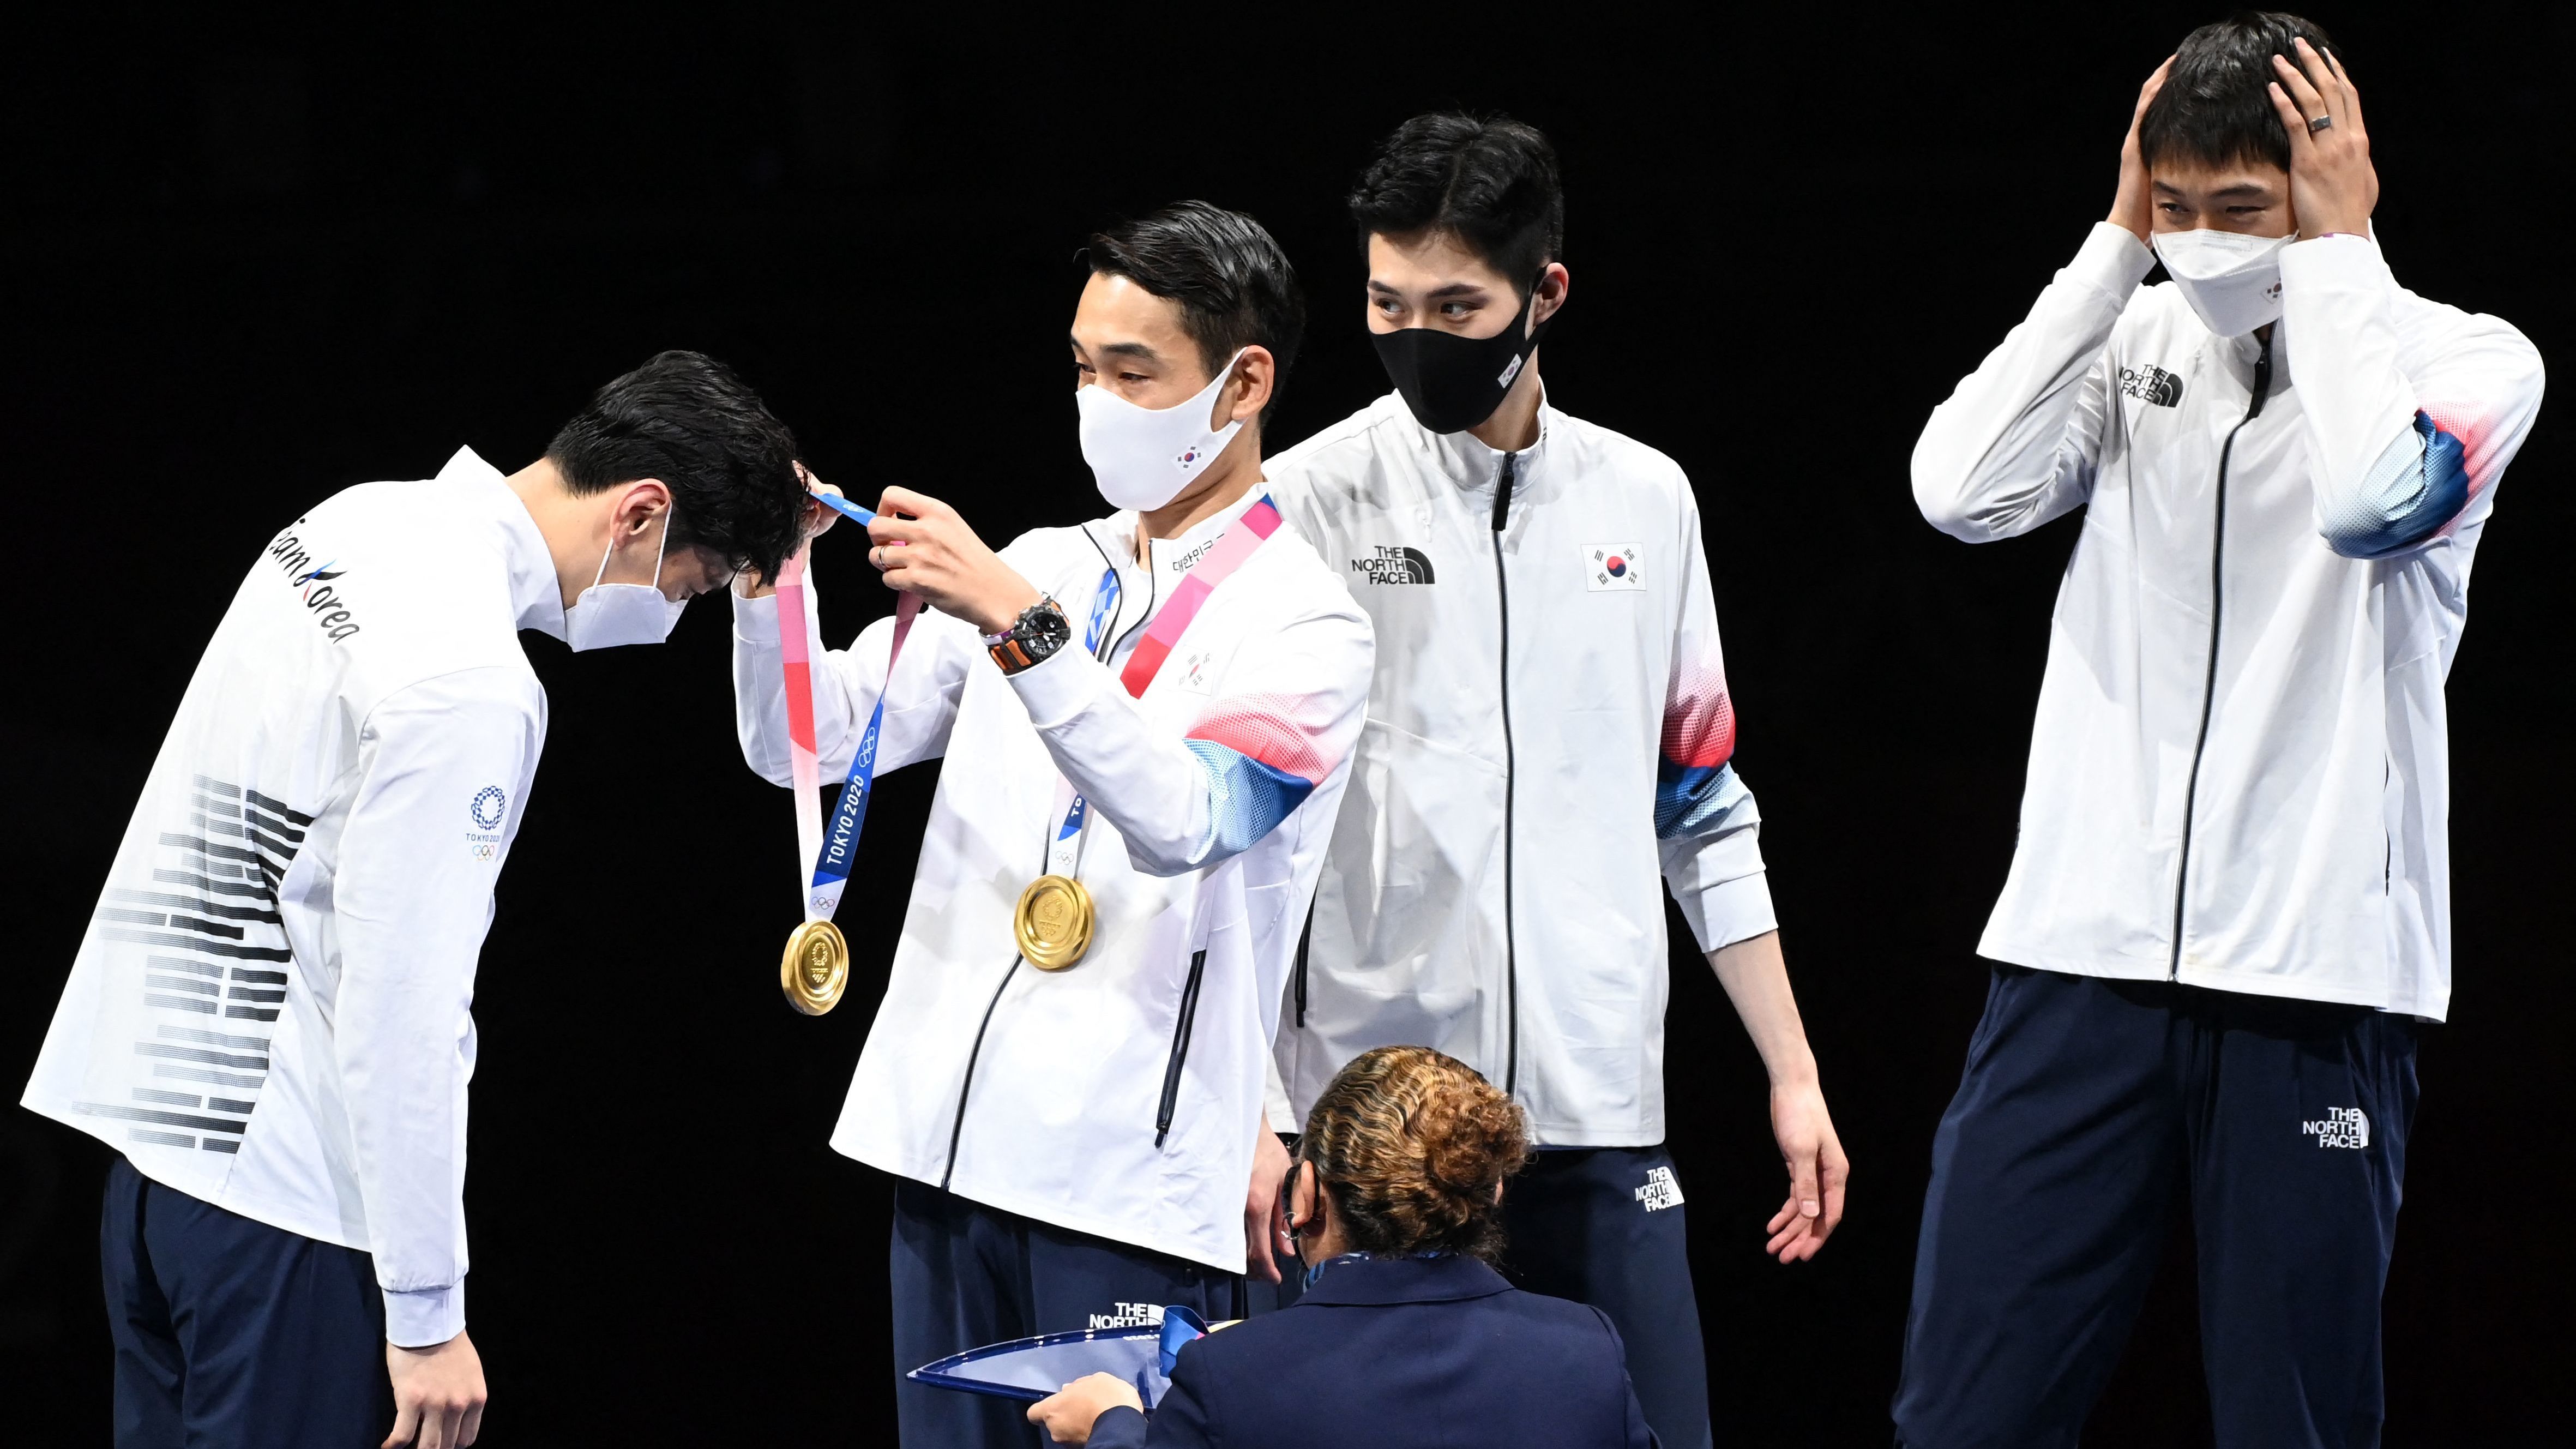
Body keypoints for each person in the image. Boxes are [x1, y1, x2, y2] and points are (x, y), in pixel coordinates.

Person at [1899, 15, 2544, 1447]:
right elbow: (1955, 486)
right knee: (1959, 1417)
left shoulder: (2472, 362)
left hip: (2313, 985)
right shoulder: (2132, 330)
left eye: (2234, 210)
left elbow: (2372, 505)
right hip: (2074, 967)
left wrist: (2334, 260)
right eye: (2175, 207)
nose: (2199, 244)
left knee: (2289, 1424)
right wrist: (2112, 245)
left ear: (2327, 183)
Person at [21, 351, 809, 1449]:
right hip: (287, 1214)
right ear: (640, 511)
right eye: (692, 584)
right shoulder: (473, 682)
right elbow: (407, 1002)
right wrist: (430, 1312)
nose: (673, 615)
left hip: (150, 1182)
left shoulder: (355, 520)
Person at [729, 201, 1373, 1448]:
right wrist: (770, 583)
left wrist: (1020, 627)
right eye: (1083, 367)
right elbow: (798, 747)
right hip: (942, 1154)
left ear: (1242, 383)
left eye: (1133, 372)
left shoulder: (1310, 627)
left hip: (1122, 1185)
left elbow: (1187, 815)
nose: (1097, 400)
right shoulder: (1046, 562)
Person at [1257, 113, 1845, 1449]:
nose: (1417, 337)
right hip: (1372, 1147)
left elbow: (1698, 803)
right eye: (1384, 302)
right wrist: (1257, 1109)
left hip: (1595, 1121)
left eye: (1456, 305)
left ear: (1545, 294)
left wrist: (1791, 1075)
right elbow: (1235, 840)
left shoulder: (1648, 501)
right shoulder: (1302, 504)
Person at [1027, 1044, 1654, 1448]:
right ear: (1491, 1190)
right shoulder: (1586, 1351)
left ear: (1306, 1194)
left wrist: (1114, 1423)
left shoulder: (1228, 1375)